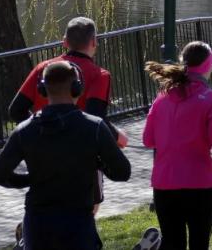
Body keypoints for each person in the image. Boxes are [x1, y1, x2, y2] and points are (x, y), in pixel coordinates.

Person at [8, 17, 127, 246]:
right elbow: (96, 118)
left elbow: (16, 110)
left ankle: (29, 236)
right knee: (86, 208)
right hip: (82, 154)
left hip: (43, 153)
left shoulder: (45, 69)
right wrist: (117, 137)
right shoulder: (98, 75)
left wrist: (39, 129)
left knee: (45, 199)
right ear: (94, 41)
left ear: (64, 42)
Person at [0, 61, 131, 250]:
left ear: (42, 89)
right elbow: (122, 172)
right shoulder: (95, 127)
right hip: (78, 222)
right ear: (76, 88)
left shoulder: (25, 130)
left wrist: (28, 180)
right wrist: (97, 164)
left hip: (38, 222)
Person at [142, 41, 212, 250]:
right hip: (199, 183)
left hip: (164, 183)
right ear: (209, 65)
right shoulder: (211, 99)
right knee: (199, 244)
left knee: (173, 243)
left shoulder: (162, 98)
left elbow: (148, 139)